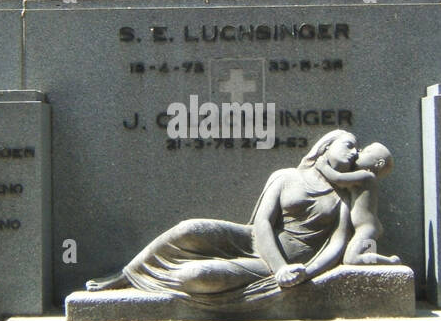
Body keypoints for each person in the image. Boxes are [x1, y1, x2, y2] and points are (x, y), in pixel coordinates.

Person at [83, 130, 366, 310]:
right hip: (254, 241)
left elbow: (337, 244)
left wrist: (304, 271)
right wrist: (279, 265)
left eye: (357, 150)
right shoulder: (286, 177)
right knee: (191, 229)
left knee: (199, 276)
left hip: (278, 266)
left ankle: (154, 284)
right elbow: (263, 223)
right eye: (348, 145)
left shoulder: (343, 198)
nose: (354, 152)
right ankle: (127, 275)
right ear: (325, 146)